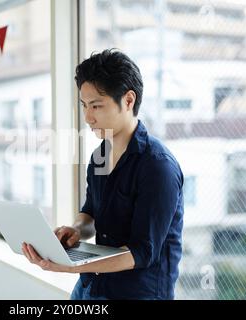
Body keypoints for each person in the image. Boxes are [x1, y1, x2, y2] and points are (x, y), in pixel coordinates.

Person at [21, 49, 184, 300]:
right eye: (85, 106)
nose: (88, 117)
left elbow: (140, 253)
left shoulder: (157, 166)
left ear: (128, 101)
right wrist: (76, 229)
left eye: (96, 106)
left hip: (136, 294)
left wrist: (70, 266)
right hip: (91, 286)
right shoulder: (100, 155)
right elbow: (91, 213)